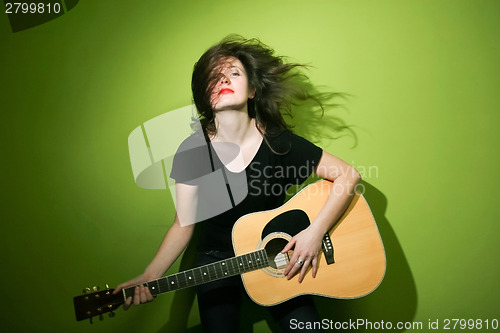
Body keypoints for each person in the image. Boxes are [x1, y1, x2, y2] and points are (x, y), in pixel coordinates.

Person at [114, 35, 361, 332]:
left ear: (253, 89)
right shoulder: (192, 151)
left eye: (234, 73)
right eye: (213, 77)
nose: (224, 80)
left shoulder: (278, 141)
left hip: (279, 255)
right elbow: (184, 222)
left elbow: (348, 176)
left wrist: (314, 233)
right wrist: (150, 275)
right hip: (217, 262)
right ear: (204, 95)